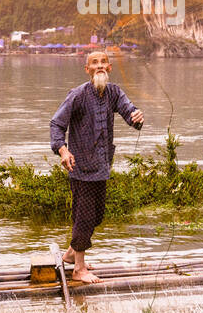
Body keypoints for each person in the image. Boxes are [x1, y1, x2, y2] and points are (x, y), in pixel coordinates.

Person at [49, 50, 143, 282]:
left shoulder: (114, 93)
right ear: (87, 69)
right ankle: (79, 269)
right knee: (84, 217)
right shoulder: (78, 95)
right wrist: (63, 150)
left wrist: (136, 117)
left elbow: (128, 111)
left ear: (109, 68)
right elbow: (56, 124)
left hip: (101, 166)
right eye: (94, 63)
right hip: (80, 167)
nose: (99, 66)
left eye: (103, 62)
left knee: (97, 216)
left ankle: (71, 254)